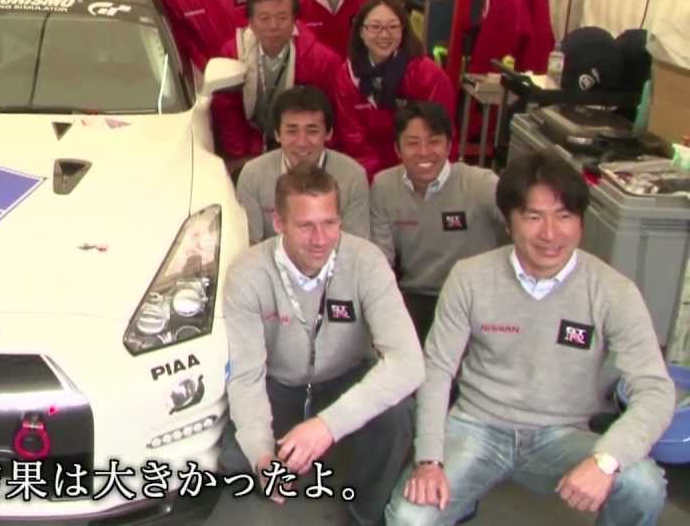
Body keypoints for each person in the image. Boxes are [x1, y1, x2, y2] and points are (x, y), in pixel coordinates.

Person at [385, 152, 674, 526]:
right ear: (509, 222)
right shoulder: (470, 277)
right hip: (477, 425)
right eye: (534, 217)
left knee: (643, 485)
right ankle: (460, 497)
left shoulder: (613, 291)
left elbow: (655, 389)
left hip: (564, 435)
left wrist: (606, 460)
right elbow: (437, 370)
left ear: (581, 222)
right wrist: (429, 460)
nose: (550, 234)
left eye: (564, 216)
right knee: (409, 518)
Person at [223, 164, 423, 526]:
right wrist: (262, 455)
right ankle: (289, 463)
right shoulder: (247, 274)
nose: (320, 239)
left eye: (330, 223)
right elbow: (246, 377)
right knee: (232, 456)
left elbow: (409, 363)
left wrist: (327, 426)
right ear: (279, 223)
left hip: (346, 381)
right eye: (305, 226)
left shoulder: (366, 261)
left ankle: (367, 514)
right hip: (278, 385)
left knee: (397, 418)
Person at [369, 102, 505, 340]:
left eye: (434, 141)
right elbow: (382, 259)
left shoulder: (481, 184)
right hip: (416, 296)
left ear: (449, 145)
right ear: (397, 150)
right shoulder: (383, 185)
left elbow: (521, 225)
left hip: (475, 297)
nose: (424, 152)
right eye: (413, 143)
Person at [211, 0, 346, 165]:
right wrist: (243, 156)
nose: (273, 26)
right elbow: (227, 112)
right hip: (248, 150)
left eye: (282, 17)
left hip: (303, 149)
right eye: (264, 18)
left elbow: (332, 117)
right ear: (250, 23)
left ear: (295, 20)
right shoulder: (232, 54)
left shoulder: (322, 60)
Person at [335, 0, 455, 178]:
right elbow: (353, 138)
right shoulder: (348, 75)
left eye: (393, 27)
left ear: (403, 31)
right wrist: (376, 180)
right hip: (367, 172)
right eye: (375, 27)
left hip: (418, 168)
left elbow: (436, 135)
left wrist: (402, 180)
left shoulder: (427, 75)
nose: (384, 35)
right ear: (361, 32)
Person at [235, 86, 370, 243]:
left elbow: (354, 249)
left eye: (312, 131)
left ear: (328, 133)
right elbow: (250, 246)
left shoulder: (353, 176)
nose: (301, 142)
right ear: (277, 134)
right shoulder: (252, 175)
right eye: (292, 131)